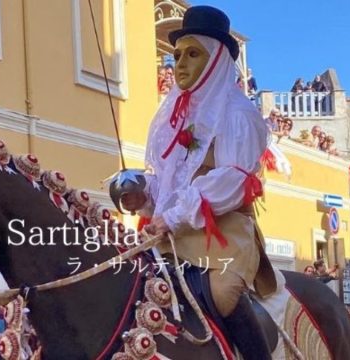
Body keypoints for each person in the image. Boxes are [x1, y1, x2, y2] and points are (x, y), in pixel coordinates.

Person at [119, 6, 275, 359]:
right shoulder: (174, 117)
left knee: (222, 292)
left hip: (223, 233)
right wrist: (143, 195)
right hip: (172, 236)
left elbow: (233, 180)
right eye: (176, 55)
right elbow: (170, 183)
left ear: (217, 60)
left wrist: (172, 216)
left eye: (192, 54)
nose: (180, 64)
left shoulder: (238, 113)